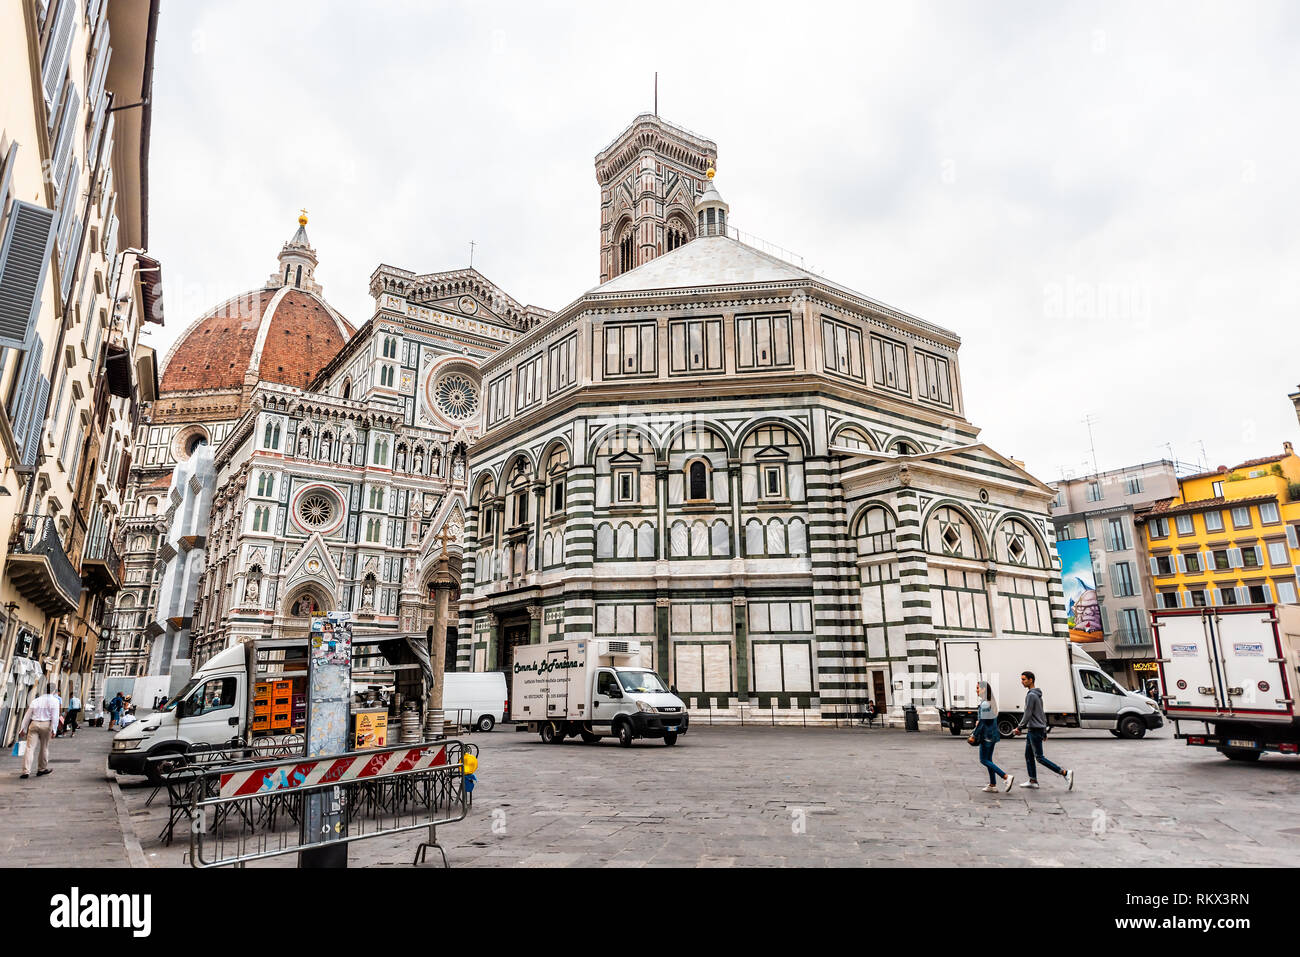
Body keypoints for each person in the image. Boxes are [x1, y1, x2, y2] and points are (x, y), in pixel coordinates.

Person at [1013, 671, 1074, 790]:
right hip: (1036, 729)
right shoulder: (1037, 695)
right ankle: (1033, 780)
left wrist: (1020, 727)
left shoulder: (1031, 695)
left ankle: (1065, 773)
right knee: (1028, 755)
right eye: (1021, 679)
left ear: (1031, 680)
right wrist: (1044, 731)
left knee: (1039, 757)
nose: (1022, 682)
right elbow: (1041, 713)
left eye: (1024, 679)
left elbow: (1028, 713)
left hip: (1035, 729)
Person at [973, 681, 1014, 792]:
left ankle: (1005, 777)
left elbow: (983, 722)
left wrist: (974, 734)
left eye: (978, 688)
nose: (976, 690)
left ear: (984, 689)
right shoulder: (990, 702)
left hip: (987, 735)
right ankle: (992, 785)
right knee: (988, 759)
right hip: (992, 734)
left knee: (983, 760)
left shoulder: (985, 703)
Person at [17, 688, 61, 778]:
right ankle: (41, 769)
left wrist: (23, 728)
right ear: (53, 691)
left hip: (34, 724)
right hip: (46, 725)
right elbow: (55, 716)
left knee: (29, 748)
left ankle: (26, 771)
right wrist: (54, 729)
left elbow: (27, 715)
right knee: (44, 747)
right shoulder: (55, 701)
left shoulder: (35, 700)